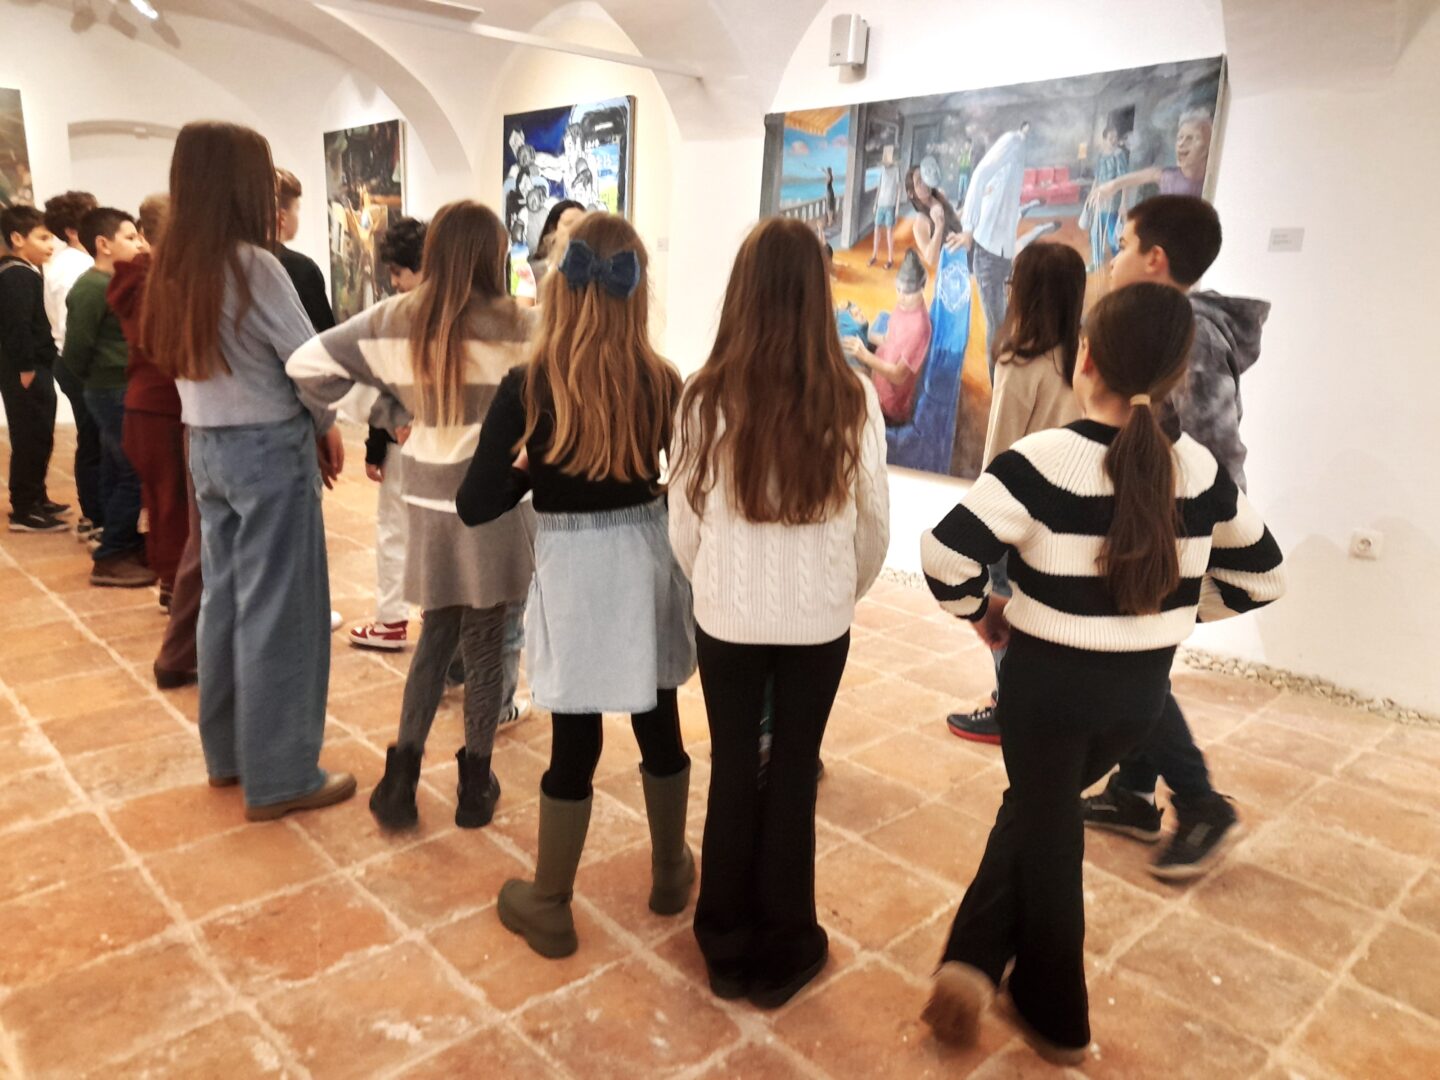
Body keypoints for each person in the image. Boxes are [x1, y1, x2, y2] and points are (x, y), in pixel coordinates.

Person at [919, 283, 1285, 1064]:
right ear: (1178, 373)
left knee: (1049, 829)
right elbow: (1263, 576)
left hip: (1045, 695)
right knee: (1037, 809)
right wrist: (1174, 614)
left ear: (1085, 359)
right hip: (1137, 700)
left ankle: (1056, 1015)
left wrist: (983, 610)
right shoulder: (1198, 469)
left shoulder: (1042, 460)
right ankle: (970, 965)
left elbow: (945, 556)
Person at [457, 213, 695, 960]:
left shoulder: (529, 387)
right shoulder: (663, 381)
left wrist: (531, 469)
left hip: (573, 575)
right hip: (646, 562)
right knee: (659, 718)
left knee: (575, 739)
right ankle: (670, 871)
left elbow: (475, 502)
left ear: (559, 287)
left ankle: (552, 902)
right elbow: (689, 486)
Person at [670, 217, 890, 1007]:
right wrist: (833, 593)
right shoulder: (852, 397)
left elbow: (684, 522)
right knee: (793, 772)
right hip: (817, 625)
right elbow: (873, 527)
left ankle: (725, 943)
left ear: (742, 292)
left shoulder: (704, 397)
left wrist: (717, 587)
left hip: (726, 619)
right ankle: (786, 943)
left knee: (734, 768)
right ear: (818, 295)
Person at [288, 200, 535, 832]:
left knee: (436, 634)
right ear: (496, 253)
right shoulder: (523, 324)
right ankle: (474, 784)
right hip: (497, 498)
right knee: (486, 643)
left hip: (427, 495)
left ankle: (400, 779)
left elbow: (306, 366)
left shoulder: (396, 316)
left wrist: (389, 412)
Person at [141, 120, 354, 821]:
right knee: (282, 612)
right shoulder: (254, 266)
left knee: (225, 602)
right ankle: (282, 773)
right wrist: (325, 424)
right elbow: (313, 366)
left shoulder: (173, 265)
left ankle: (230, 756)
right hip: (267, 448)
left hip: (205, 445)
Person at [1081, 194, 1271, 878]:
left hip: (1173, 533)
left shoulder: (1192, 337)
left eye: (1123, 246)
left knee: (1129, 672)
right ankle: (1134, 793)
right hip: (1158, 527)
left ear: (1155, 259)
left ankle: (1200, 804)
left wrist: (1189, 543)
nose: (1113, 261)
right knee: (1143, 666)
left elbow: (1212, 451)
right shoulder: (1170, 328)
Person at [946, 241, 1086, 744]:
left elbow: (1001, 449)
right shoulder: (1086, 356)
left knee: (1006, 610)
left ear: (1024, 291)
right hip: (1075, 510)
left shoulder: (1021, 359)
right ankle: (1042, 708)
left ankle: (1011, 710)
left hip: (1025, 509)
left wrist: (984, 519)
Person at [63, 207, 155, 588]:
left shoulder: (116, 281)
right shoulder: (91, 287)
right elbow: (76, 349)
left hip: (119, 387)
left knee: (119, 469)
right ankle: (112, 554)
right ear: (103, 244)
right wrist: (98, 381)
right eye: (130, 237)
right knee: (134, 470)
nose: (140, 244)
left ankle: (124, 543)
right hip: (111, 389)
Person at [348, 215, 428, 652]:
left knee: (396, 528)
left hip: (404, 441)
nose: (394, 282)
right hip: (442, 443)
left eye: (398, 272)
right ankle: (435, 612)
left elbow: (380, 387)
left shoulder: (394, 318)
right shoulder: (454, 313)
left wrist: (375, 448)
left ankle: (392, 619)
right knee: (436, 529)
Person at [112, 195, 186, 611]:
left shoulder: (138, 277)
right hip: (165, 406)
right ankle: (177, 584)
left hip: (145, 404)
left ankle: (174, 581)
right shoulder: (159, 282)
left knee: (160, 500)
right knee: (173, 502)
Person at [41, 190, 103, 537]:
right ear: (72, 230)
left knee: (93, 438)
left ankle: (94, 512)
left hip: (71, 361)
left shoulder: (68, 262)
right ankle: (95, 515)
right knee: (95, 440)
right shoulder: (76, 267)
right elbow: (73, 327)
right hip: (79, 364)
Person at [0, 205, 65, 532]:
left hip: (30, 367)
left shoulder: (22, 271)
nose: (50, 245)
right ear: (17, 238)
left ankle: (37, 497)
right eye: (42, 237)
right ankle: (25, 509)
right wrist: (26, 368)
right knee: (31, 437)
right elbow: (18, 327)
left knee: (39, 435)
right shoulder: (17, 274)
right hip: (26, 370)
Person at [960, 122, 1032, 373]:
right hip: (989, 255)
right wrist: (968, 227)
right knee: (997, 324)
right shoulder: (1014, 141)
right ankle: (997, 380)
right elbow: (979, 176)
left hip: (999, 254)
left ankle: (1001, 377)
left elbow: (998, 199)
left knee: (1003, 321)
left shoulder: (1014, 153)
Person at [843, 248, 932, 424]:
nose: (901, 297)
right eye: (898, 290)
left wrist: (865, 355)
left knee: (837, 389)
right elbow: (888, 340)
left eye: (908, 293)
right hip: (877, 377)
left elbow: (898, 376)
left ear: (922, 288)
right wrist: (862, 331)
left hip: (888, 404)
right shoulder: (903, 307)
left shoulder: (920, 327)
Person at [1087, 111, 1213, 207]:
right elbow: (1145, 175)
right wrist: (1111, 186)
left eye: (1191, 138)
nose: (1181, 143)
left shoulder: (1215, 182)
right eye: (1180, 138)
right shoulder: (1169, 177)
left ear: (1209, 146)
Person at [275, 168, 337, 335]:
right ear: (282, 217)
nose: (298, 215)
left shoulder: (241, 265)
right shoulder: (303, 269)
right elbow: (326, 335)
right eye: (297, 208)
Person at [906, 157, 963, 270]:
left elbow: (955, 220)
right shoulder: (921, 222)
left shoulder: (940, 195)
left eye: (924, 177)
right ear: (911, 193)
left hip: (964, 251)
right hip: (950, 267)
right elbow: (930, 259)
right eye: (919, 182)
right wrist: (938, 227)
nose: (925, 183)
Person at [1087, 126, 1129, 271]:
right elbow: (1097, 178)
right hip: (1099, 199)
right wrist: (1091, 195)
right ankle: (1096, 261)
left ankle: (1119, 262)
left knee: (1113, 234)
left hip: (1113, 201)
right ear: (1104, 139)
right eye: (1110, 137)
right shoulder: (1100, 155)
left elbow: (1124, 180)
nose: (1113, 140)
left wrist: (1123, 203)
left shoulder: (1119, 155)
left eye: (1115, 137)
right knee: (1095, 232)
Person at [868, 145, 902, 270]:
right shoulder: (882, 170)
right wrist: (875, 203)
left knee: (889, 233)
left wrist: (897, 207)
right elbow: (879, 187)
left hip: (890, 205)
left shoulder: (896, 170)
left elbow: (899, 189)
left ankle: (890, 259)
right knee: (876, 230)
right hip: (880, 205)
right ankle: (874, 256)